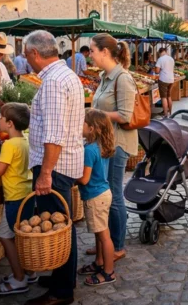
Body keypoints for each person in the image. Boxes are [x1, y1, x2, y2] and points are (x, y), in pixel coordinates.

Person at [23, 30, 84, 305]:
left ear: (35, 54)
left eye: (26, 55)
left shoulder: (53, 82)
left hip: (55, 166)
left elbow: (54, 134)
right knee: (62, 222)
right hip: (65, 162)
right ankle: (63, 276)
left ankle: (61, 292)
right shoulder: (66, 75)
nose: (27, 61)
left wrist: (45, 173)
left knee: (58, 225)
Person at [0, 103, 37, 295]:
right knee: (21, 237)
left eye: (1, 118)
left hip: (14, 198)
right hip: (26, 194)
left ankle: (19, 279)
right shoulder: (26, 140)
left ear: (9, 123)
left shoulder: (9, 144)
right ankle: (29, 272)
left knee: (5, 236)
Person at [88, 33, 134, 261]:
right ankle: (105, 242)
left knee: (114, 195)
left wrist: (95, 115)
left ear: (105, 52)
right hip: (106, 144)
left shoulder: (122, 78)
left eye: (92, 50)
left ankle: (117, 246)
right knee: (104, 194)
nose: (90, 55)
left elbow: (126, 115)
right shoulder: (106, 77)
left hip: (118, 144)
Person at [76, 109, 116, 286]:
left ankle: (108, 272)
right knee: (100, 234)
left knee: (104, 236)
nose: (80, 126)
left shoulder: (89, 150)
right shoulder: (100, 145)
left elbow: (84, 179)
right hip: (103, 194)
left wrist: (70, 173)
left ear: (91, 128)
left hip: (95, 197)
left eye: (82, 123)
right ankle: (99, 262)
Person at [155, 47, 175, 117]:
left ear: (160, 52)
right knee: (169, 96)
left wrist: (159, 69)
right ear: (165, 51)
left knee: (163, 97)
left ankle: (166, 114)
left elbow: (157, 71)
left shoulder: (160, 59)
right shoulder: (171, 59)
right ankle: (171, 113)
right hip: (171, 79)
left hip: (163, 80)